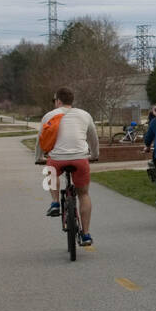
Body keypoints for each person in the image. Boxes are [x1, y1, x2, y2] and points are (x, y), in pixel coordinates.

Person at [35, 86, 100, 247]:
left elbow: (40, 140)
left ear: (58, 101)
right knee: (83, 194)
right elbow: (93, 138)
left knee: (50, 172)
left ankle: (55, 202)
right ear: (72, 101)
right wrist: (94, 155)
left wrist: (38, 157)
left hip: (56, 159)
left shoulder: (49, 116)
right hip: (80, 159)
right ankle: (85, 235)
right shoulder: (85, 115)